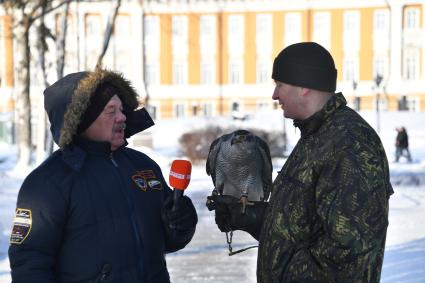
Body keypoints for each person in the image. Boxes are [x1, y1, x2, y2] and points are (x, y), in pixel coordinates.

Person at [208, 42, 393, 282]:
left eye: (279, 85)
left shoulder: (348, 144)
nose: (274, 95)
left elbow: (349, 255)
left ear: (304, 86)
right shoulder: (319, 134)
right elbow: (312, 225)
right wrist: (261, 220)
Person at [9, 69, 198, 282]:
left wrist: (181, 223)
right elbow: (29, 263)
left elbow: (169, 241)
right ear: (83, 120)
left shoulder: (143, 166)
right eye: (111, 111)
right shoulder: (47, 182)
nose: (122, 117)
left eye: (121, 109)